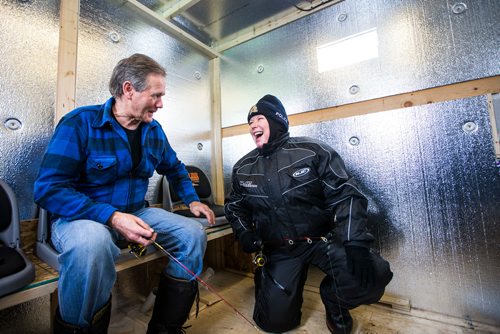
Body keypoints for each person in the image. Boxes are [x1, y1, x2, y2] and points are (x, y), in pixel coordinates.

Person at [34, 53, 215, 334]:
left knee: (192, 234)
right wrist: (113, 217)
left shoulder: (154, 131)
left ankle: (165, 328)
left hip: (137, 211)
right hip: (83, 219)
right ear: (128, 89)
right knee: (91, 247)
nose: (161, 104)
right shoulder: (80, 123)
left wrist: (192, 200)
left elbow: (175, 168)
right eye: (155, 95)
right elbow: (48, 189)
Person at [224, 94, 393, 333]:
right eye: (250, 123)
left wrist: (354, 241)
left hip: (323, 241)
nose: (253, 125)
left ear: (277, 121)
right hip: (280, 249)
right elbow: (234, 206)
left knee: (372, 278)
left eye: (259, 118)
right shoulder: (243, 168)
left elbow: (346, 195)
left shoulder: (313, 151)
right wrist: (243, 233)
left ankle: (334, 301)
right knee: (273, 323)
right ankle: (270, 282)